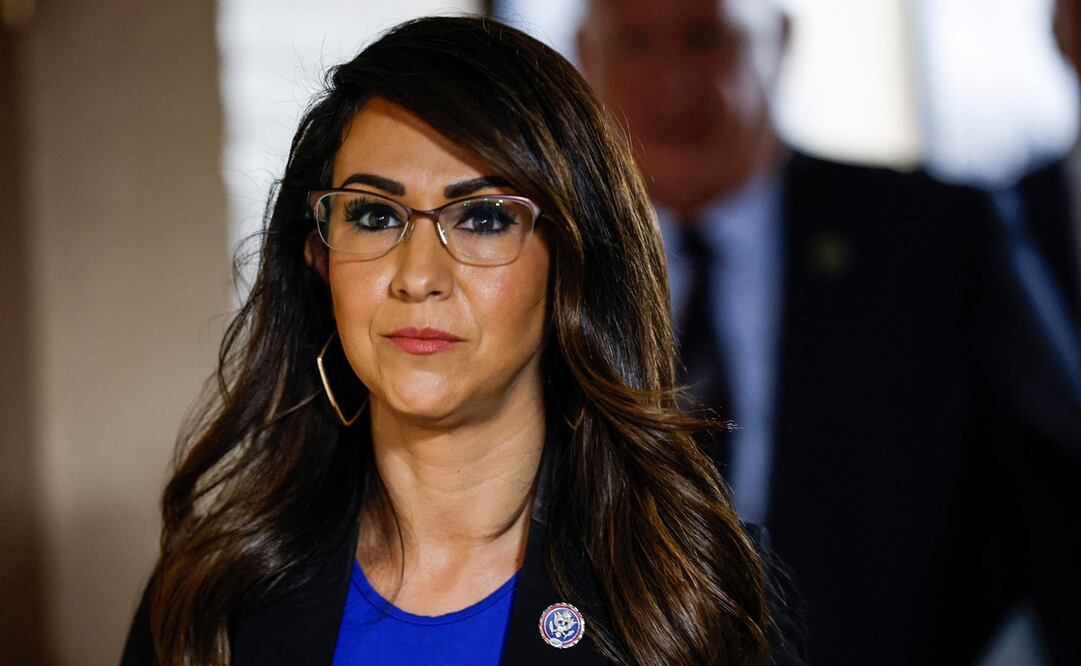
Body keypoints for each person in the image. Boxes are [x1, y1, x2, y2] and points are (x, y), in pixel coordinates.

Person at [119, 16, 805, 666]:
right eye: (374, 214)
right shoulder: (212, 601)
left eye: (481, 218)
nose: (418, 277)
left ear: (570, 262)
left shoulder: (693, 602)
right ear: (320, 259)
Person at [579, 0, 1081, 664]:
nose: (673, 81)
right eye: (635, 44)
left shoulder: (935, 237)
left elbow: (1060, 504)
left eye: (706, 40)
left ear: (780, 43)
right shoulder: (542, 266)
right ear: (584, 61)